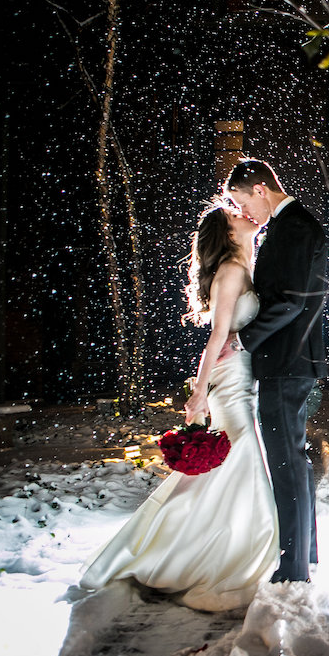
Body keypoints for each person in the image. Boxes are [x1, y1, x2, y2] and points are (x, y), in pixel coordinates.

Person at [79, 203, 279, 611]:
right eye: (234, 214)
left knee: (229, 468)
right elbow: (217, 337)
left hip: (243, 377)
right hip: (230, 380)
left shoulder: (246, 265)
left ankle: (201, 548)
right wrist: (199, 392)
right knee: (245, 462)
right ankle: (225, 558)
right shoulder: (232, 271)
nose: (244, 214)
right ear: (226, 231)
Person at [224, 158, 328, 584]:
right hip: (291, 360)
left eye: (244, 201)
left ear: (262, 189)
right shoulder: (289, 226)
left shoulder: (296, 226)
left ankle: (293, 569)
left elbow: (289, 300)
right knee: (294, 462)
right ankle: (305, 554)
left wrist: (242, 340)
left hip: (288, 361)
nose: (246, 212)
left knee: (286, 462)